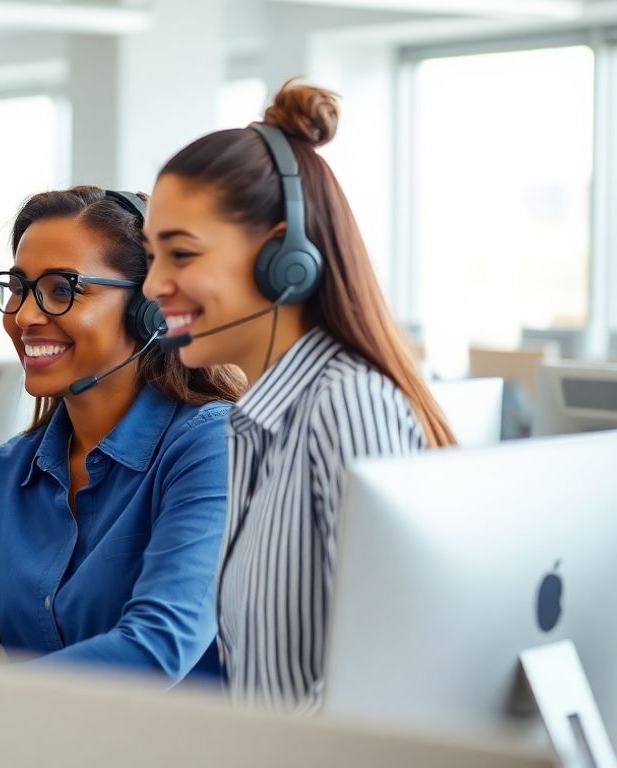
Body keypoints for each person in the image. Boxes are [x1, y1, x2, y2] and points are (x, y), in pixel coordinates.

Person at [141, 81, 455, 708]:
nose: (153, 285)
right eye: (153, 256)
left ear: (284, 258)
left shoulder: (348, 404)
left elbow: (385, 681)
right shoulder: (252, 421)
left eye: (181, 254)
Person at [0, 187, 243, 678]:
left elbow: (156, 648)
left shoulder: (214, 445)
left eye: (62, 290)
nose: (24, 316)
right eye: (18, 287)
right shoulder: (7, 474)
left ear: (150, 310)